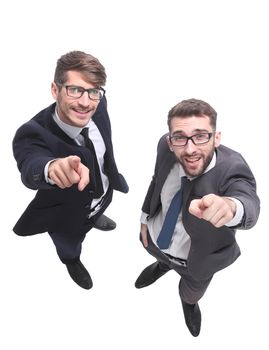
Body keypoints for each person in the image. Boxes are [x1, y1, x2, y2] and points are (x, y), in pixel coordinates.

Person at [135, 98, 260, 336]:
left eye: (201, 135)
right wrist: (144, 218)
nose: (190, 149)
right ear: (171, 141)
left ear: (217, 137)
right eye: (180, 137)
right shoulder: (165, 146)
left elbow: (247, 200)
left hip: (195, 263)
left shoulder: (232, 167)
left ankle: (189, 303)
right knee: (161, 256)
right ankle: (162, 265)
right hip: (156, 238)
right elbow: (156, 180)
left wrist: (230, 207)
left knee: (192, 291)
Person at [12, 50, 129, 290]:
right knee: (69, 241)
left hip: (104, 191)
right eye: (75, 90)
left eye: (93, 91)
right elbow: (31, 164)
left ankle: (95, 215)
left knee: (98, 206)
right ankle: (71, 260)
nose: (86, 102)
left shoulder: (99, 103)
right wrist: (53, 168)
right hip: (66, 212)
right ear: (55, 90)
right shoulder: (32, 133)